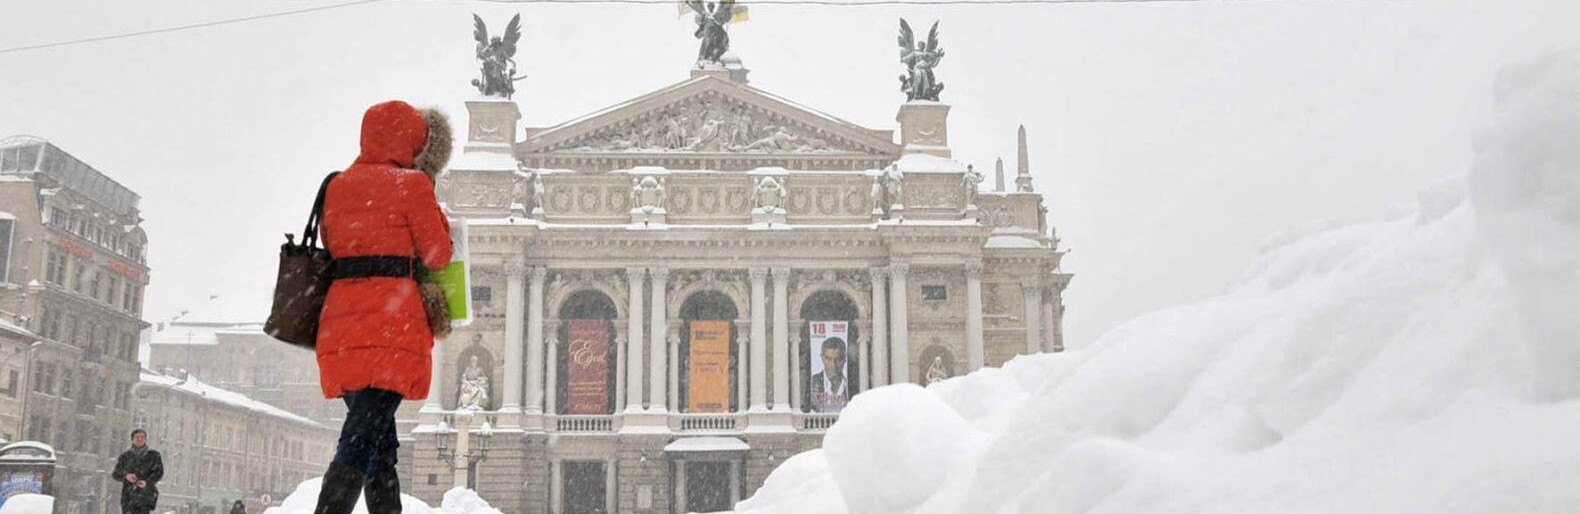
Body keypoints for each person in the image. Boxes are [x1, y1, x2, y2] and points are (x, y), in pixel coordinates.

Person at [313, 100, 454, 514]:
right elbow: (438, 253)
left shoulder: (335, 184)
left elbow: (332, 245)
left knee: (380, 444)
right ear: (411, 140)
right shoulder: (410, 185)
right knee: (359, 440)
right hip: (391, 328)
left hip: (340, 326)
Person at [111, 429, 163, 514]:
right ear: (132, 439)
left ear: (146, 439)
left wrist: (147, 482)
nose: (140, 439)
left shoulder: (154, 456)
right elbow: (116, 474)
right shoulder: (125, 456)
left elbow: (159, 473)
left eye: (142, 437)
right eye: (137, 437)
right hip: (128, 497)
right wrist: (126, 476)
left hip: (145, 497)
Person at [809, 336, 849, 412]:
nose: (833, 365)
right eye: (829, 359)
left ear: (844, 359)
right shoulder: (813, 381)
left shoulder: (850, 385)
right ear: (822, 358)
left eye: (838, 359)